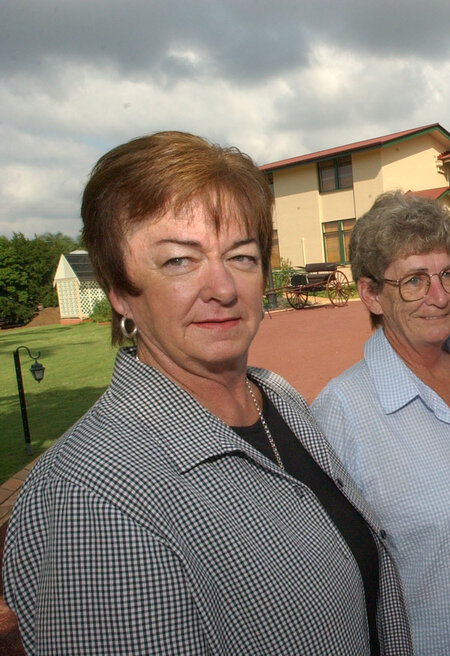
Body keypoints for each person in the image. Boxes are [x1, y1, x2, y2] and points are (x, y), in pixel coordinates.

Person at [1, 132, 412, 655]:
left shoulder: (277, 399)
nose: (222, 288)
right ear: (121, 291)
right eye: (179, 261)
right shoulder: (93, 497)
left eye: (241, 257)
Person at [311, 191, 450, 656]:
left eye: (447, 275)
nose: (438, 297)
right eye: (414, 280)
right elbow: (331, 585)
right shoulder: (344, 413)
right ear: (371, 294)